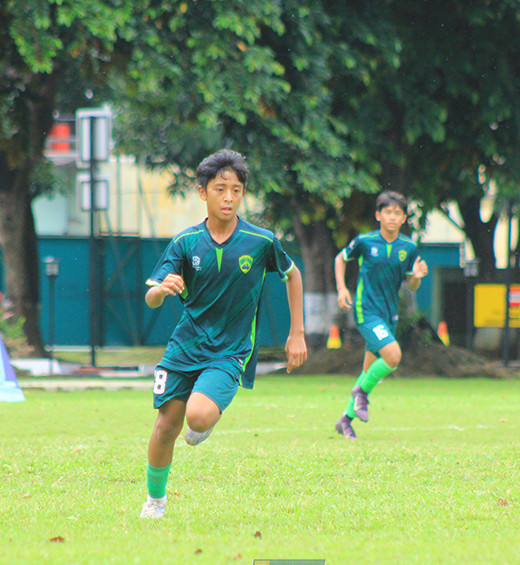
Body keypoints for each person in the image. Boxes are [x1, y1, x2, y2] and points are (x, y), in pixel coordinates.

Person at [139, 149, 307, 518]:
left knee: (196, 418)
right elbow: (151, 298)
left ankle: (206, 418)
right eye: (220, 189)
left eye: (235, 189)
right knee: (166, 424)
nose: (228, 197)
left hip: (230, 350)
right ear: (203, 192)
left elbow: (292, 274)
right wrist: (161, 289)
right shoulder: (185, 242)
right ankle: (155, 501)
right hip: (184, 346)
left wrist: (297, 333)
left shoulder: (260, 241)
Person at [334, 190, 428, 439]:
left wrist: (417, 278)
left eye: (398, 213)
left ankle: (345, 420)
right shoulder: (365, 241)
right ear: (378, 215)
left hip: (390, 315)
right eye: (388, 212)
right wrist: (342, 288)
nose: (393, 217)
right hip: (367, 312)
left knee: (368, 372)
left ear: (404, 217)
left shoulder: (408, 247)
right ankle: (360, 394)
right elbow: (340, 259)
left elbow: (411, 285)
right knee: (393, 356)